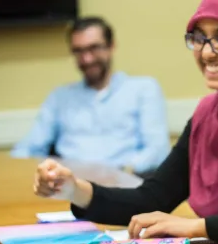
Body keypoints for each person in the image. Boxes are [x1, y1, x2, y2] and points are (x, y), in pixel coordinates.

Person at [33, 0, 218, 244]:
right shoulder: (208, 113)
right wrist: (74, 189)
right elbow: (153, 198)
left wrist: (193, 227)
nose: (207, 53)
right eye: (199, 38)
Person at [12, 17, 169, 174]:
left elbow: (158, 149)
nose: (87, 59)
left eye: (94, 48)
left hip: (126, 183)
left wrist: (122, 172)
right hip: (70, 185)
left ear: (111, 46)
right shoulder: (60, 98)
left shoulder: (142, 88)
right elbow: (27, 149)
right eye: (78, 51)